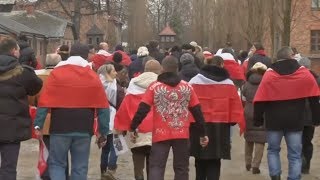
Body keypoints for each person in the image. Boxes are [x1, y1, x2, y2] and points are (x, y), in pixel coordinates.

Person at [34, 43, 111, 180]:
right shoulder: (92, 76)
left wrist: (38, 124)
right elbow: (103, 107)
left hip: (59, 126)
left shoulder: (56, 74)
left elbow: (44, 102)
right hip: (83, 128)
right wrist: (103, 132)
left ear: (70, 54)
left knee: (57, 164)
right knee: (80, 167)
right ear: (86, 56)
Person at [129, 56, 209, 180]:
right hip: (182, 133)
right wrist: (203, 133)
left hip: (161, 134)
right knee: (181, 168)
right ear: (178, 69)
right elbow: (197, 111)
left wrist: (133, 127)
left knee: (157, 167)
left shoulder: (154, 87)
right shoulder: (187, 87)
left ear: (162, 69)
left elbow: (142, 109)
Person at [253, 47, 320, 180]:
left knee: (273, 150)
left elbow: (260, 99)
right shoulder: (304, 73)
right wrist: (316, 118)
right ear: (291, 57)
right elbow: (314, 97)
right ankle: (293, 177)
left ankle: (276, 176)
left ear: (277, 58)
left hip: (274, 121)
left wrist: (258, 120)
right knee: (295, 154)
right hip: (295, 120)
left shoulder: (269, 74)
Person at [189, 56, 245, 180]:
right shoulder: (229, 83)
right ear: (221, 65)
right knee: (215, 161)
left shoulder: (194, 81)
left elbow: (188, 103)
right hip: (220, 127)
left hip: (198, 126)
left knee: (199, 160)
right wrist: (231, 121)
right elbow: (235, 106)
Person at [0, 37, 43, 180]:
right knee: (9, 167)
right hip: (12, 127)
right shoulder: (24, 73)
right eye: (18, 50)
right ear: (13, 51)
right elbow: (36, 87)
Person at [114, 60, 162, 180]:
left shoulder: (134, 85)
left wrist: (118, 131)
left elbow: (124, 109)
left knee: (138, 166)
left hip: (136, 133)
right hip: (156, 133)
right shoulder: (162, 87)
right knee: (154, 167)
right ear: (159, 70)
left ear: (145, 69)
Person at [28, 53, 68, 180]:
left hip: (44, 119)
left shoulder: (38, 77)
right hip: (63, 118)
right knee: (62, 152)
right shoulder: (65, 77)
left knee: (47, 150)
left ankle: (46, 175)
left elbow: (31, 99)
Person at [97, 64, 125, 180]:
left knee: (105, 148)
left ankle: (103, 172)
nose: (115, 73)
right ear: (107, 73)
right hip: (115, 120)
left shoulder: (97, 85)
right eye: (113, 71)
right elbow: (121, 105)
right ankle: (111, 170)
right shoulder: (116, 88)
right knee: (117, 148)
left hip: (102, 120)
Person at [242, 62, 267, 174]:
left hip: (248, 111)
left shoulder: (246, 84)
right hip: (262, 112)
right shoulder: (266, 83)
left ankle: (248, 162)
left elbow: (243, 99)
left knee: (249, 138)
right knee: (260, 140)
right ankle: (256, 165)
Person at [297, 57, 320, 174]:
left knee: (297, 141)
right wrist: (317, 119)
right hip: (311, 116)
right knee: (307, 141)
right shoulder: (317, 79)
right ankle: (306, 166)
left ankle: (300, 162)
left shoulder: (295, 78)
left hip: (297, 115)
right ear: (309, 66)